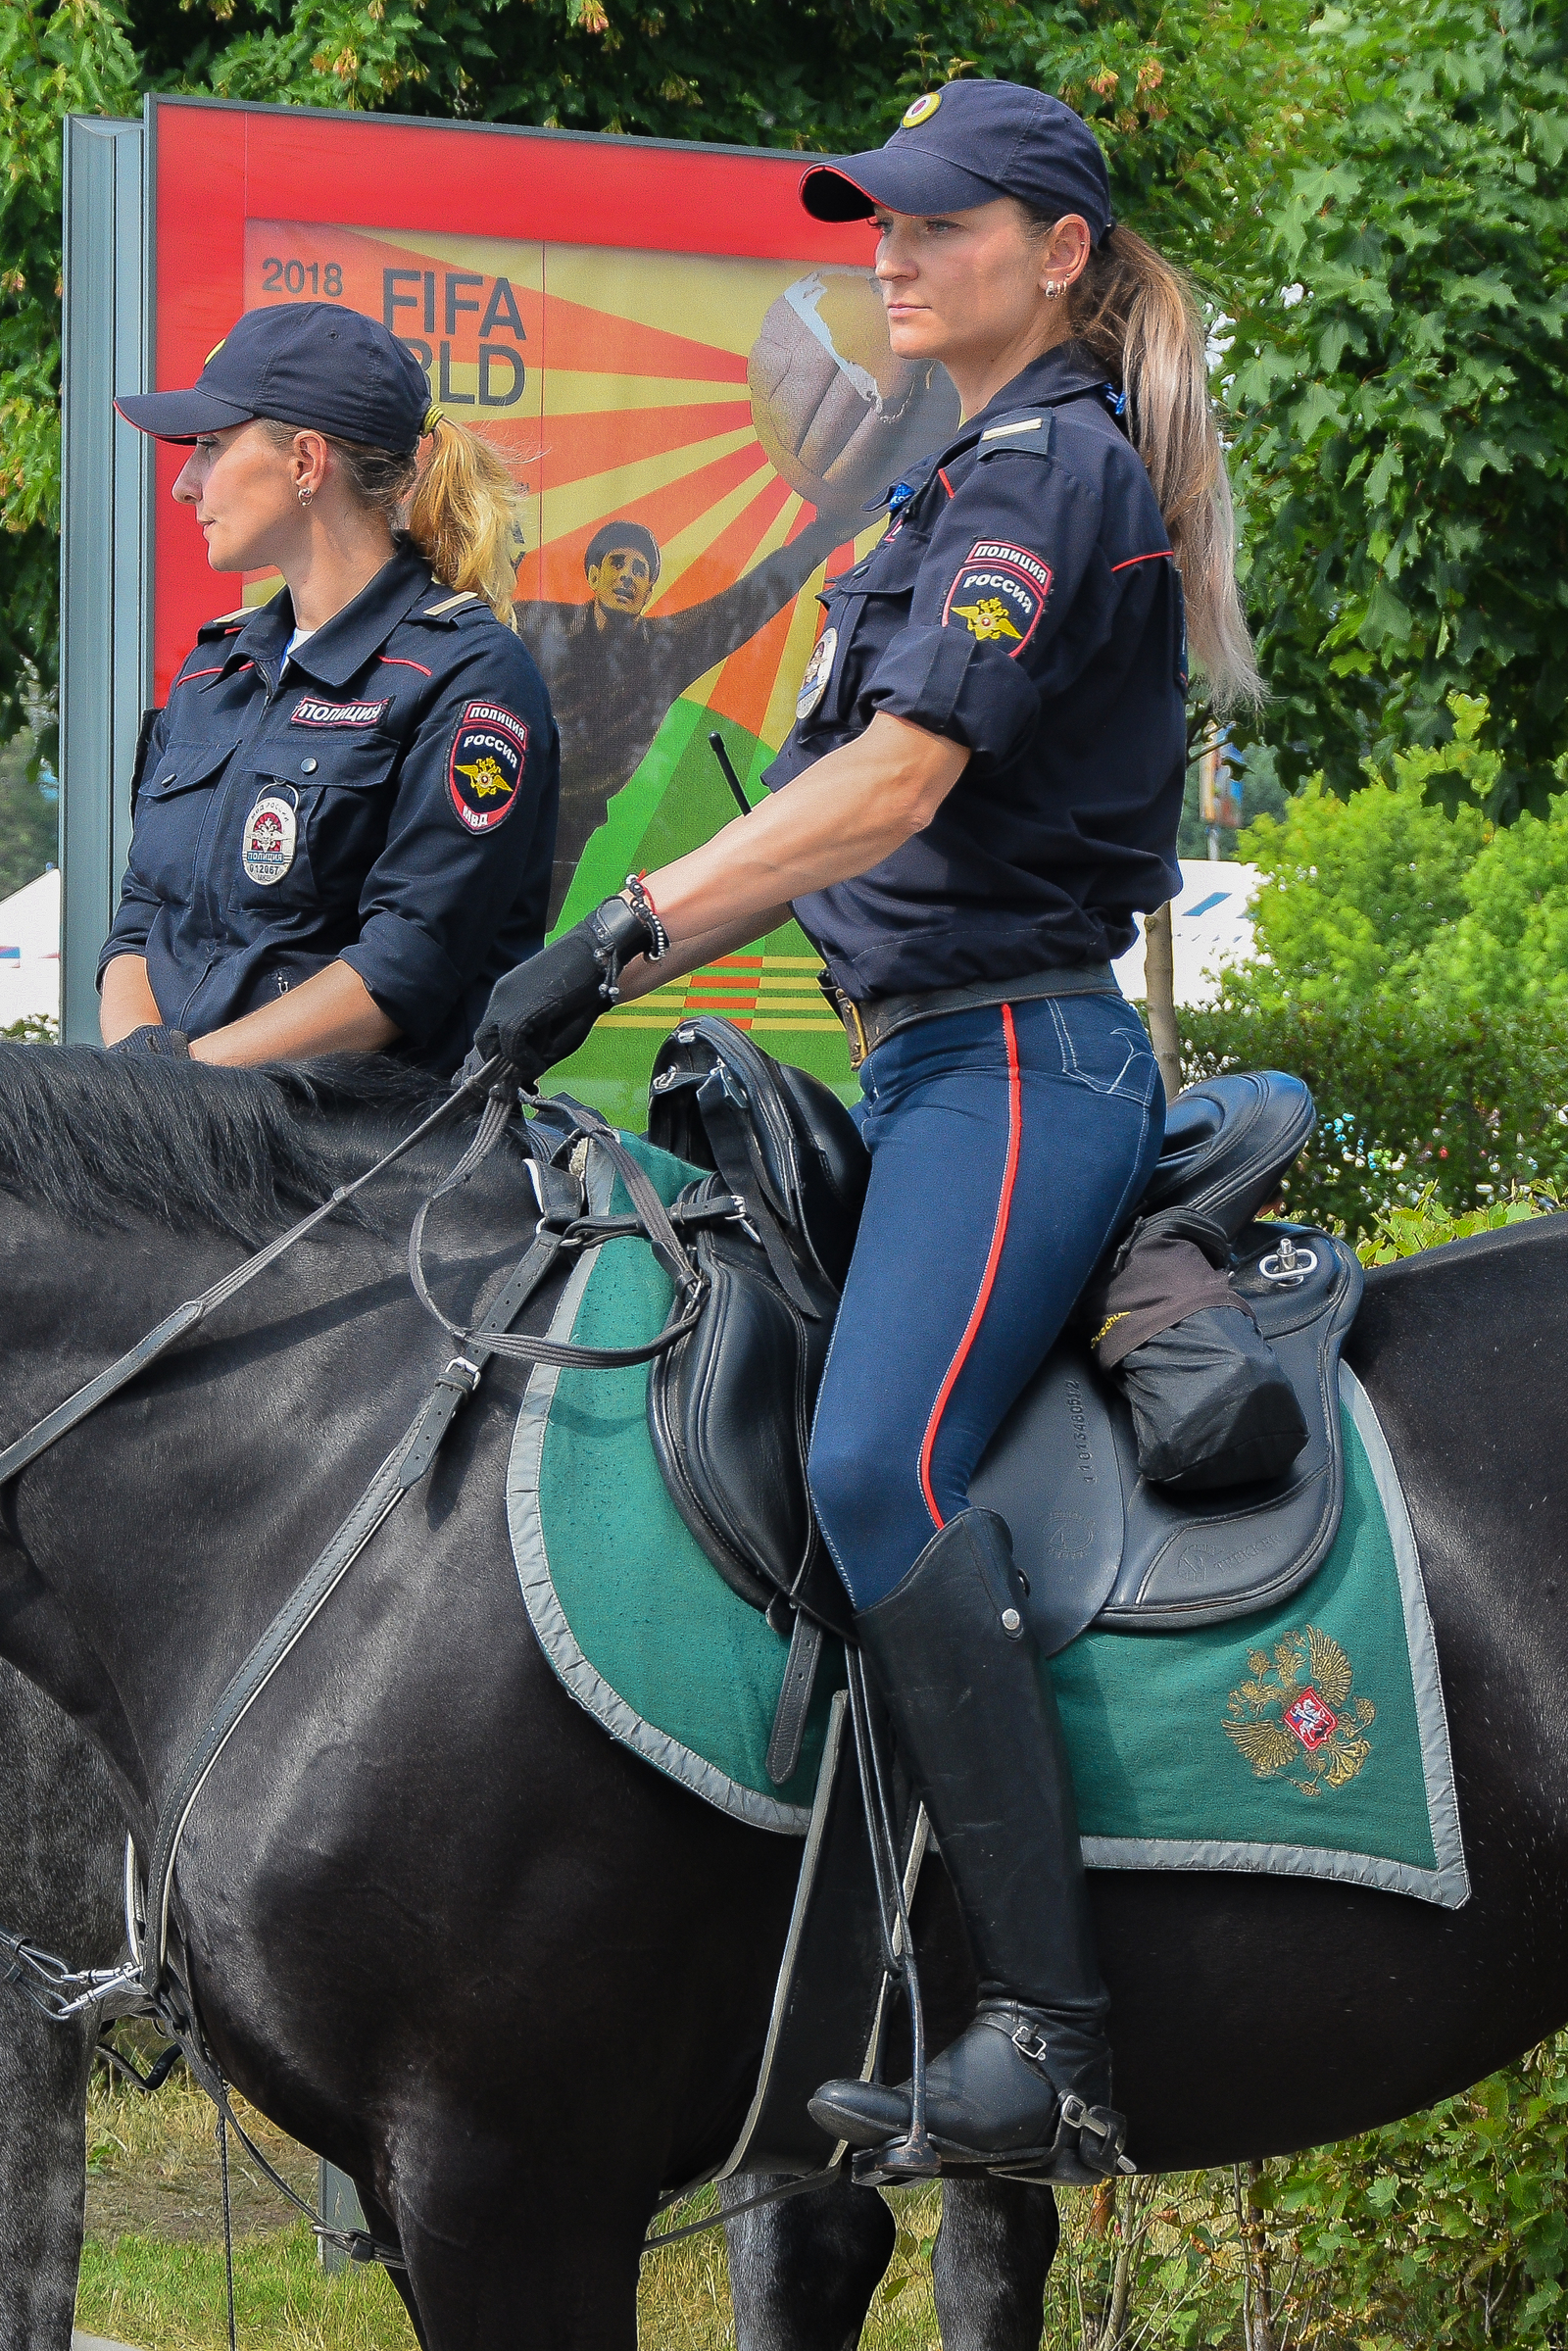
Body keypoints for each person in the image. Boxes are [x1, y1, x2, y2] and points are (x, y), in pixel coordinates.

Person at [472, 80, 1259, 2180]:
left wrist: (617, 937)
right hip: (912, 1054)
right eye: (875, 223)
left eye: (934, 223)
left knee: (864, 1456)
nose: (886, 253)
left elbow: (899, 779)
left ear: (1056, 253)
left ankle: (1057, 2037)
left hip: (1011, 1061)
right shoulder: (955, 480)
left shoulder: (1040, 473)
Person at [102, 301, 559, 1075]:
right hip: (177, 1149)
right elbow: (142, 919)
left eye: (210, 446)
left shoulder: (471, 675)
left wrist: (185, 1089)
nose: (185, 484)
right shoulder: (215, 670)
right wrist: (140, 1089)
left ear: (307, 463)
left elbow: (403, 967)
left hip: (362, 1171)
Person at [516, 507, 867, 926]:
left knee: (525, 932)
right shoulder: (533, 622)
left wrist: (824, 531)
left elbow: (748, 601)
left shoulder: (667, 651)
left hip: (568, 826)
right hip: (505, 797)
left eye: (640, 569)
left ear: (648, 591)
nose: (627, 575)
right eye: (617, 562)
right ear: (592, 575)